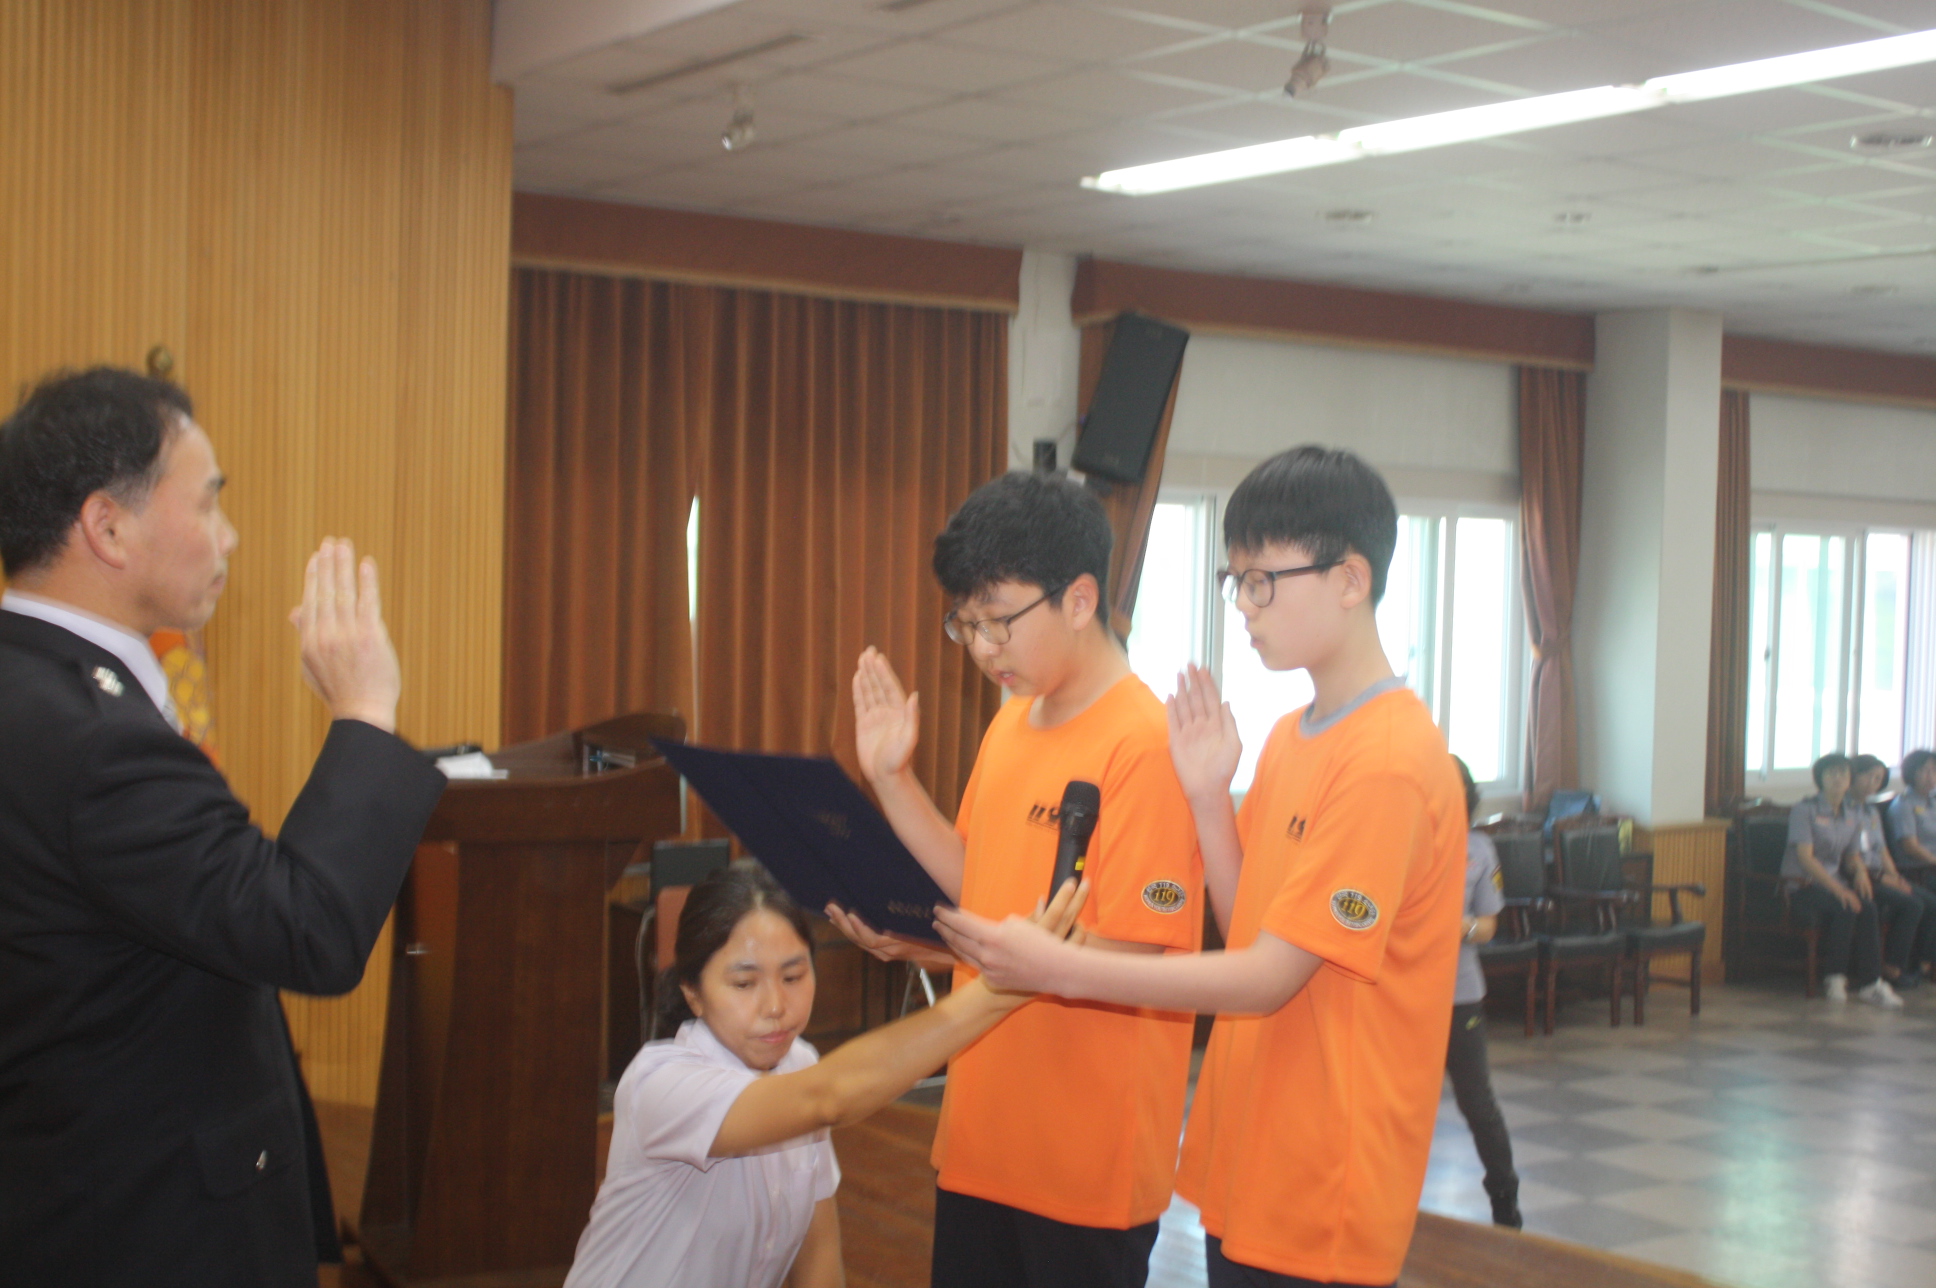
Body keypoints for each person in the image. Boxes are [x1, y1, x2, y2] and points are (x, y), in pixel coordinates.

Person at [938, 446, 1466, 1288]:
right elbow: (1250, 922)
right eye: (1235, 581)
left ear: (1350, 579)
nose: (1245, 606)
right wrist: (1212, 799)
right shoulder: (1295, 735)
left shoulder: (1388, 763)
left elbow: (1267, 978)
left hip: (1324, 1178)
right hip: (1252, 1156)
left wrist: (1058, 964)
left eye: (1263, 582)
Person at [0, 367, 447, 1286]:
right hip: (146, 1219)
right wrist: (365, 709)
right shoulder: (94, 739)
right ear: (107, 527)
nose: (229, 535)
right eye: (207, 502)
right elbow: (306, 928)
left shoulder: (33, 683)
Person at [827, 471, 1204, 1288]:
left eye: (998, 622)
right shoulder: (1012, 723)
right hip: (981, 1135)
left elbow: (1145, 959)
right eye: (966, 625)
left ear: (1079, 599)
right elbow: (979, 881)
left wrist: (987, 949)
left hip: (1085, 1164)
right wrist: (891, 780)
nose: (983, 649)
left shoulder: (1144, 745)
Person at [565, 862, 1087, 1288]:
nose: (776, 1005)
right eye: (744, 984)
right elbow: (827, 1099)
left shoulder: (799, 1063)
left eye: (793, 976)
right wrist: (1001, 988)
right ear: (693, 993)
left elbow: (816, 1254)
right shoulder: (661, 1084)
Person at [1447, 756, 1521, 1230]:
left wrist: (1461, 927)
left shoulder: (1480, 849)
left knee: (1477, 1102)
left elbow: (1490, 926)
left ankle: (1504, 1200)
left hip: (1461, 997)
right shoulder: (1399, 840)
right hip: (1404, 999)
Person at [1782, 752, 1899, 1007]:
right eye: (1831, 773)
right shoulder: (1805, 809)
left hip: (1835, 883)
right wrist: (1838, 890)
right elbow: (1805, 859)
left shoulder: (1852, 813)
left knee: (1868, 907)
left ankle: (1871, 983)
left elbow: (1852, 855)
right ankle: (1835, 978)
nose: (1838, 778)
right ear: (1820, 779)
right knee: (1845, 905)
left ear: (1850, 780)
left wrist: (1860, 872)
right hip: (1803, 885)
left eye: (1843, 773)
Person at [1850, 753, 1935, 987]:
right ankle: (1894, 968)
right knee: (1913, 904)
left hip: (1884, 874)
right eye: (1869, 776)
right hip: (1864, 876)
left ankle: (1923, 963)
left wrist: (1895, 877)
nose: (1873, 783)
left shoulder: (1870, 811)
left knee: (1929, 902)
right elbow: (1907, 845)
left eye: (1878, 778)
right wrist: (1886, 877)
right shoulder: (1846, 811)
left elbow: (1882, 850)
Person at [1887, 749, 1936, 879]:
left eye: (1934, 770)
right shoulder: (1903, 805)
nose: (1931, 776)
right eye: (1924, 771)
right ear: (1911, 773)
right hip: (1921, 869)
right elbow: (1910, 847)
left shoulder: (1932, 800)